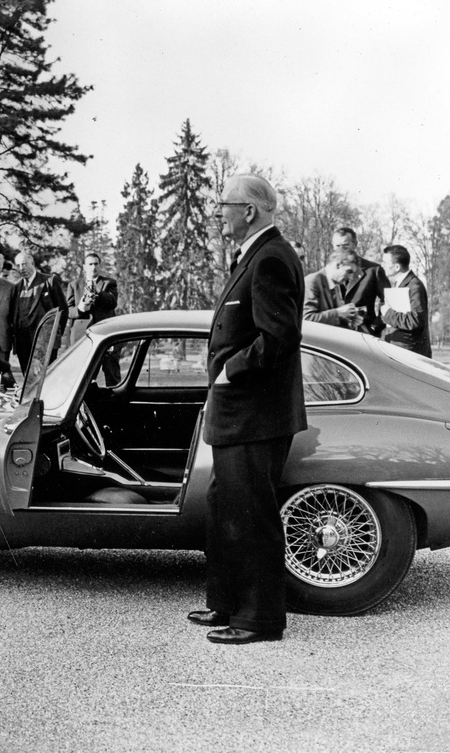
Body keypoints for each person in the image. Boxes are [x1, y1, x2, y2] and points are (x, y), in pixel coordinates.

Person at [189, 173, 307, 645]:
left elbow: (277, 337)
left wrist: (228, 371)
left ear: (250, 211)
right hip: (241, 414)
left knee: (251, 514)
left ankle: (258, 620)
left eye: (224, 205)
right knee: (225, 506)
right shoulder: (257, 255)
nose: (219, 212)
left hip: (254, 414)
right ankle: (226, 603)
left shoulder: (272, 258)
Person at [12, 251, 68, 373]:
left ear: (32, 263)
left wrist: (54, 335)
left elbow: (63, 311)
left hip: (45, 344)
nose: (21, 268)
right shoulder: (16, 288)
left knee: (46, 381)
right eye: (18, 265)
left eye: (24, 264)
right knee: (28, 383)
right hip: (23, 345)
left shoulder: (49, 281)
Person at [331, 226, 388, 335]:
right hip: (334, 333)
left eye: (346, 245)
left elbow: (387, 300)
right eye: (337, 246)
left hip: (363, 333)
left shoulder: (374, 270)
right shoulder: (328, 272)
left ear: (355, 244)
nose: (341, 249)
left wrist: (376, 325)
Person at [379, 244, 432, 357]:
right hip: (402, 351)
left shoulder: (414, 286)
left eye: (386, 263)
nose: (382, 265)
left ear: (397, 267)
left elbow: (415, 320)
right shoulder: (401, 284)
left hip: (411, 354)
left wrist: (388, 313)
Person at [66, 251, 118, 343]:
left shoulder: (109, 283)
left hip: (103, 331)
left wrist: (98, 290)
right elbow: (68, 311)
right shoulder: (74, 285)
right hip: (80, 334)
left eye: (96, 264)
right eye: (90, 264)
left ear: (100, 266)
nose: (93, 267)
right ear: (84, 267)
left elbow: (113, 303)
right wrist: (80, 309)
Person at [303, 249, 363, 328]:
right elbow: (307, 319)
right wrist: (338, 313)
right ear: (338, 265)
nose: (351, 277)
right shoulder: (312, 281)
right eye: (349, 271)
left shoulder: (335, 285)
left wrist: (349, 322)